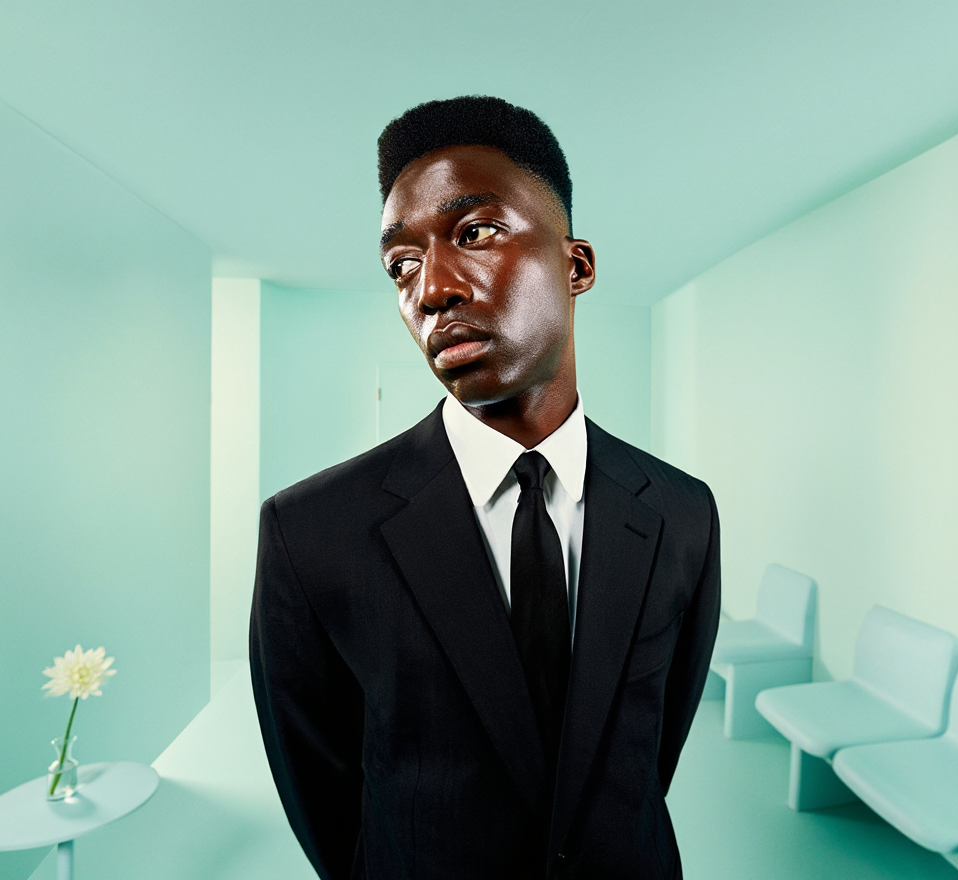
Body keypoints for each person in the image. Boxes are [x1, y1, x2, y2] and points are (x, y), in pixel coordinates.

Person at [250, 95, 720, 880]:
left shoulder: (682, 512)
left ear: (576, 267)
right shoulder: (309, 532)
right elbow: (322, 795)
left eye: (474, 233)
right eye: (401, 264)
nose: (430, 289)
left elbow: (653, 751)